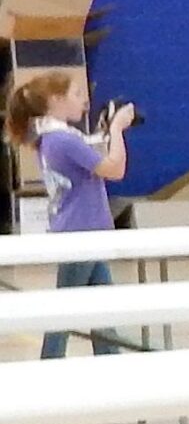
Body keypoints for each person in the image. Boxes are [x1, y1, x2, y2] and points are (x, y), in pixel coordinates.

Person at [3, 72, 134, 359]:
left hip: (83, 228)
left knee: (101, 304)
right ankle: (50, 361)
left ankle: (110, 358)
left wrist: (105, 132)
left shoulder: (53, 139)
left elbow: (90, 157)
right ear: (55, 101)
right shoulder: (63, 140)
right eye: (76, 94)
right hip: (81, 231)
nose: (83, 101)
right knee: (64, 308)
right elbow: (114, 169)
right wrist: (117, 131)